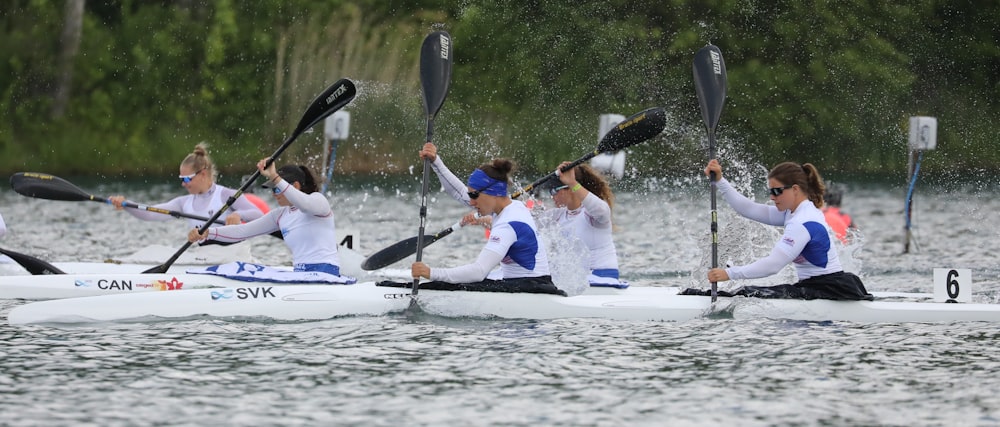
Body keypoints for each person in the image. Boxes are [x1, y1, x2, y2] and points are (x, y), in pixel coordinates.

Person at [682, 159, 872, 301]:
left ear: (795, 189)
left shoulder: (802, 221)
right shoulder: (795, 212)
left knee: (745, 294)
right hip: (823, 287)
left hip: (828, 290)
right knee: (745, 293)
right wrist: (720, 181)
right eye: (770, 192)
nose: (772, 197)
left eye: (776, 191)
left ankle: (695, 298)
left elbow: (773, 265)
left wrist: (730, 274)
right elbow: (747, 209)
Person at [401, 158, 564, 295]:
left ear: (492, 192)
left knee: (442, 283)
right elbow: (459, 193)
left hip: (530, 289)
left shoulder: (508, 225)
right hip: (533, 285)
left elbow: (479, 271)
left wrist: (430, 273)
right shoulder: (512, 205)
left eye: (474, 195)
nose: (471, 202)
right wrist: (436, 161)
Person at [187, 160, 346, 277]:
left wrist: (275, 177)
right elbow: (243, 231)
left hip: (327, 275)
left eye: (276, 189)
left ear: (295, 186)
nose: (273, 194)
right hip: (301, 274)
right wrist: (208, 232)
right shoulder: (280, 215)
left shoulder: (318, 202)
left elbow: (304, 204)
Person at [109, 143, 265, 227]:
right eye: (181, 179)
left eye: (187, 179)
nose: (183, 184)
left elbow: (259, 214)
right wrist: (126, 204)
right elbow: (151, 213)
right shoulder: (183, 203)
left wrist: (239, 215)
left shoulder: (226, 195)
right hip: (205, 258)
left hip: (232, 258)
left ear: (203, 174)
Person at [541, 162, 625, 288]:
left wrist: (573, 183)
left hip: (601, 277)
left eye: (554, 191)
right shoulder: (557, 215)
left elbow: (602, 210)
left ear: (569, 189)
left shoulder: (591, 214)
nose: (552, 196)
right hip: (578, 279)